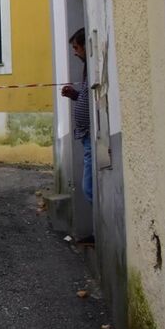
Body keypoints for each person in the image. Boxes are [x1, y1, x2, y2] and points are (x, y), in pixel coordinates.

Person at [61, 28, 92, 203]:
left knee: (88, 188)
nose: (74, 53)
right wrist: (75, 95)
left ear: (85, 46)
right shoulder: (88, 68)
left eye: (76, 48)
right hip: (85, 134)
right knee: (88, 187)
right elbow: (86, 97)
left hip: (89, 134)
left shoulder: (91, 67)